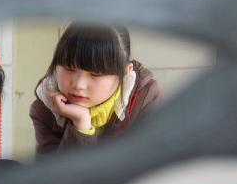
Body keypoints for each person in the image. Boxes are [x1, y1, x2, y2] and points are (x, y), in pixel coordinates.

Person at [30, 21, 162, 155]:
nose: (78, 85)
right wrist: (81, 125)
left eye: (96, 74)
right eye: (69, 68)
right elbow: (55, 173)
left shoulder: (145, 99)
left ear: (125, 72)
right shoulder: (45, 108)